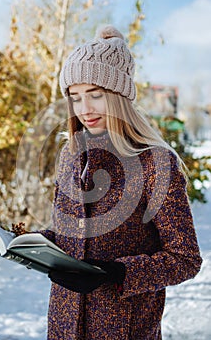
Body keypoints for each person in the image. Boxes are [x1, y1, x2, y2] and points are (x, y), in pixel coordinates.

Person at [37, 25, 202, 339]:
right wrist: (31, 245)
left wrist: (117, 273)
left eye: (95, 95)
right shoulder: (69, 155)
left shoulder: (156, 163)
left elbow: (185, 259)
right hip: (64, 324)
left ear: (119, 96)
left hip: (126, 328)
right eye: (75, 97)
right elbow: (69, 235)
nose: (84, 109)